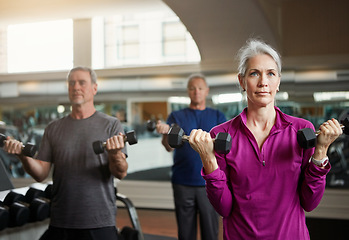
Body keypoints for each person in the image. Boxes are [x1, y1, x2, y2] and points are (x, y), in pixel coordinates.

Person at [187, 39, 343, 239]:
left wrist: (321, 153)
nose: (263, 82)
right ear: (242, 81)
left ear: (278, 81)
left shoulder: (302, 130)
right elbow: (223, 208)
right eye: (254, 73)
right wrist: (208, 159)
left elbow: (310, 202)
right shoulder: (221, 135)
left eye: (270, 73)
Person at [4, 66, 128, 240]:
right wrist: (22, 155)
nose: (76, 87)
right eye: (72, 83)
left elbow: (120, 172)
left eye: (82, 82)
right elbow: (40, 173)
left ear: (94, 88)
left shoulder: (111, 125)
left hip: (99, 221)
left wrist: (115, 154)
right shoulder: (53, 128)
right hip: (61, 221)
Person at [156, 74, 226, 240]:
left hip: (209, 183)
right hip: (182, 182)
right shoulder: (176, 117)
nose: (196, 92)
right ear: (188, 91)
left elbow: (224, 150)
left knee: (210, 231)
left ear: (206, 91)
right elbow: (168, 147)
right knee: (185, 233)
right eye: (192, 88)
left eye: (200, 88)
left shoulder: (218, 116)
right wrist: (166, 133)